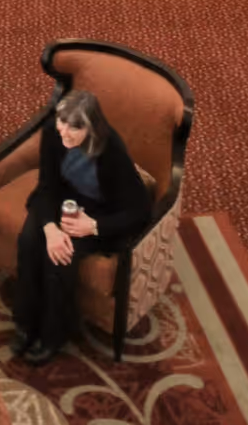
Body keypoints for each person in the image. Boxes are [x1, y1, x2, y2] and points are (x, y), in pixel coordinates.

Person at [12, 86, 151, 365]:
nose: (63, 132)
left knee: (60, 258)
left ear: (91, 128)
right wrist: (50, 228)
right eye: (61, 122)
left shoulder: (112, 151)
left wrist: (94, 227)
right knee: (29, 240)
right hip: (61, 199)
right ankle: (26, 324)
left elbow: (140, 210)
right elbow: (48, 185)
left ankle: (53, 335)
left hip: (99, 215)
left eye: (73, 128)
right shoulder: (54, 133)